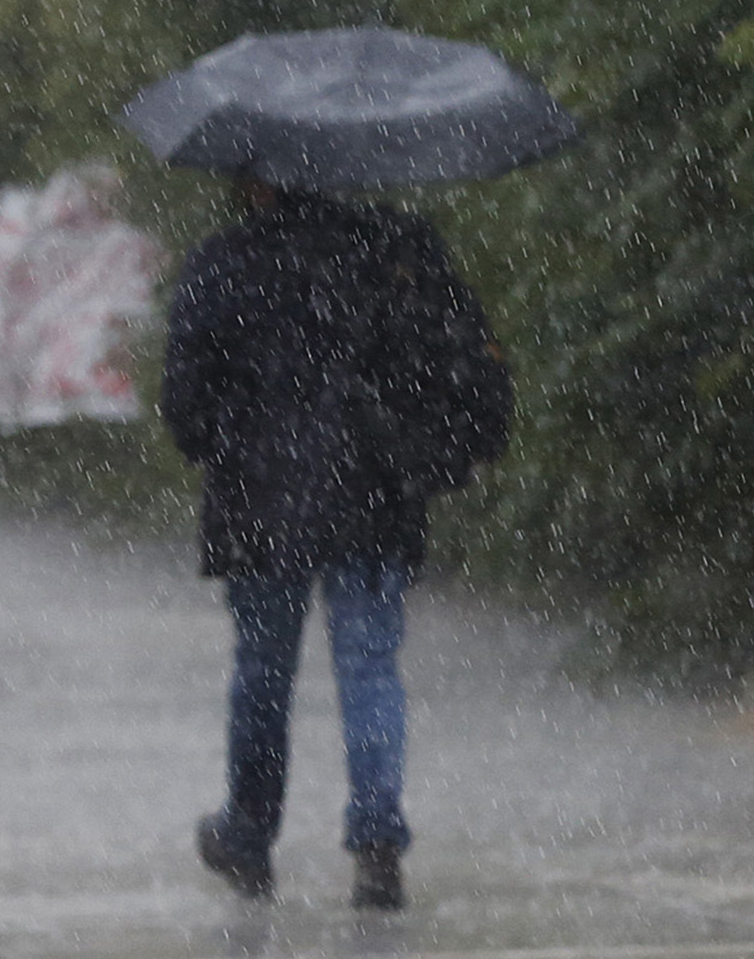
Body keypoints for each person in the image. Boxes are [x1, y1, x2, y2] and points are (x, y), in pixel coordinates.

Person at [162, 180, 510, 912]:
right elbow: (456, 363)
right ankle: (377, 840)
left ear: (256, 177)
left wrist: (235, 436)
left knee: (263, 669)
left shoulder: (225, 263)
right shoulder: (398, 253)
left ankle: (249, 836)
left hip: (262, 495)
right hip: (374, 489)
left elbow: (185, 406)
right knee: (370, 664)